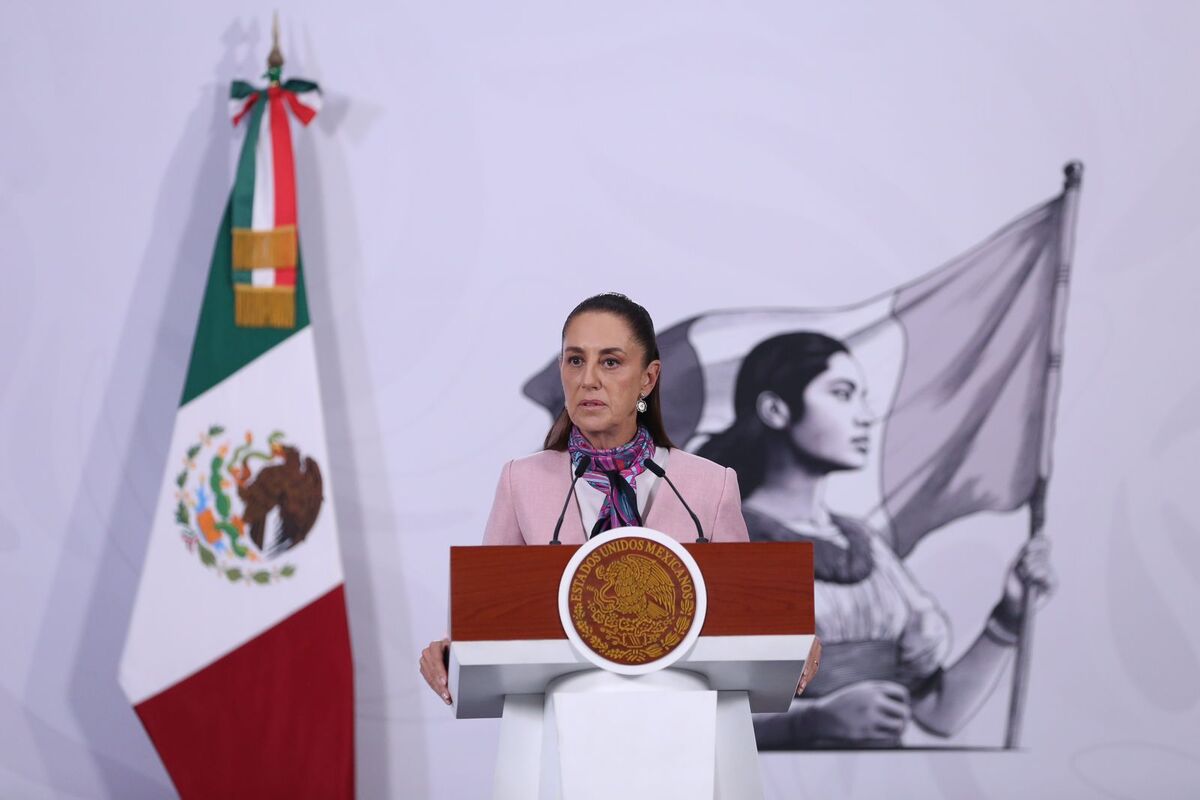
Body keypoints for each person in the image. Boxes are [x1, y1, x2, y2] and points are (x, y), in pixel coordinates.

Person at [697, 331, 1055, 748]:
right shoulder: (731, 539)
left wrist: (1009, 616)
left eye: (862, 396)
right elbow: (699, 725)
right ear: (776, 409)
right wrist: (809, 722)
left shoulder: (865, 544)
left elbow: (939, 713)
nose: (866, 415)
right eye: (843, 394)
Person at [420, 292, 752, 704]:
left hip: (683, 728)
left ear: (648, 378)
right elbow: (486, 624)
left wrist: (788, 638)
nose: (588, 379)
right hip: (559, 729)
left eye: (610, 362)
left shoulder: (708, 485)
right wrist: (452, 652)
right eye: (575, 360)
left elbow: (750, 623)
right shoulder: (520, 481)